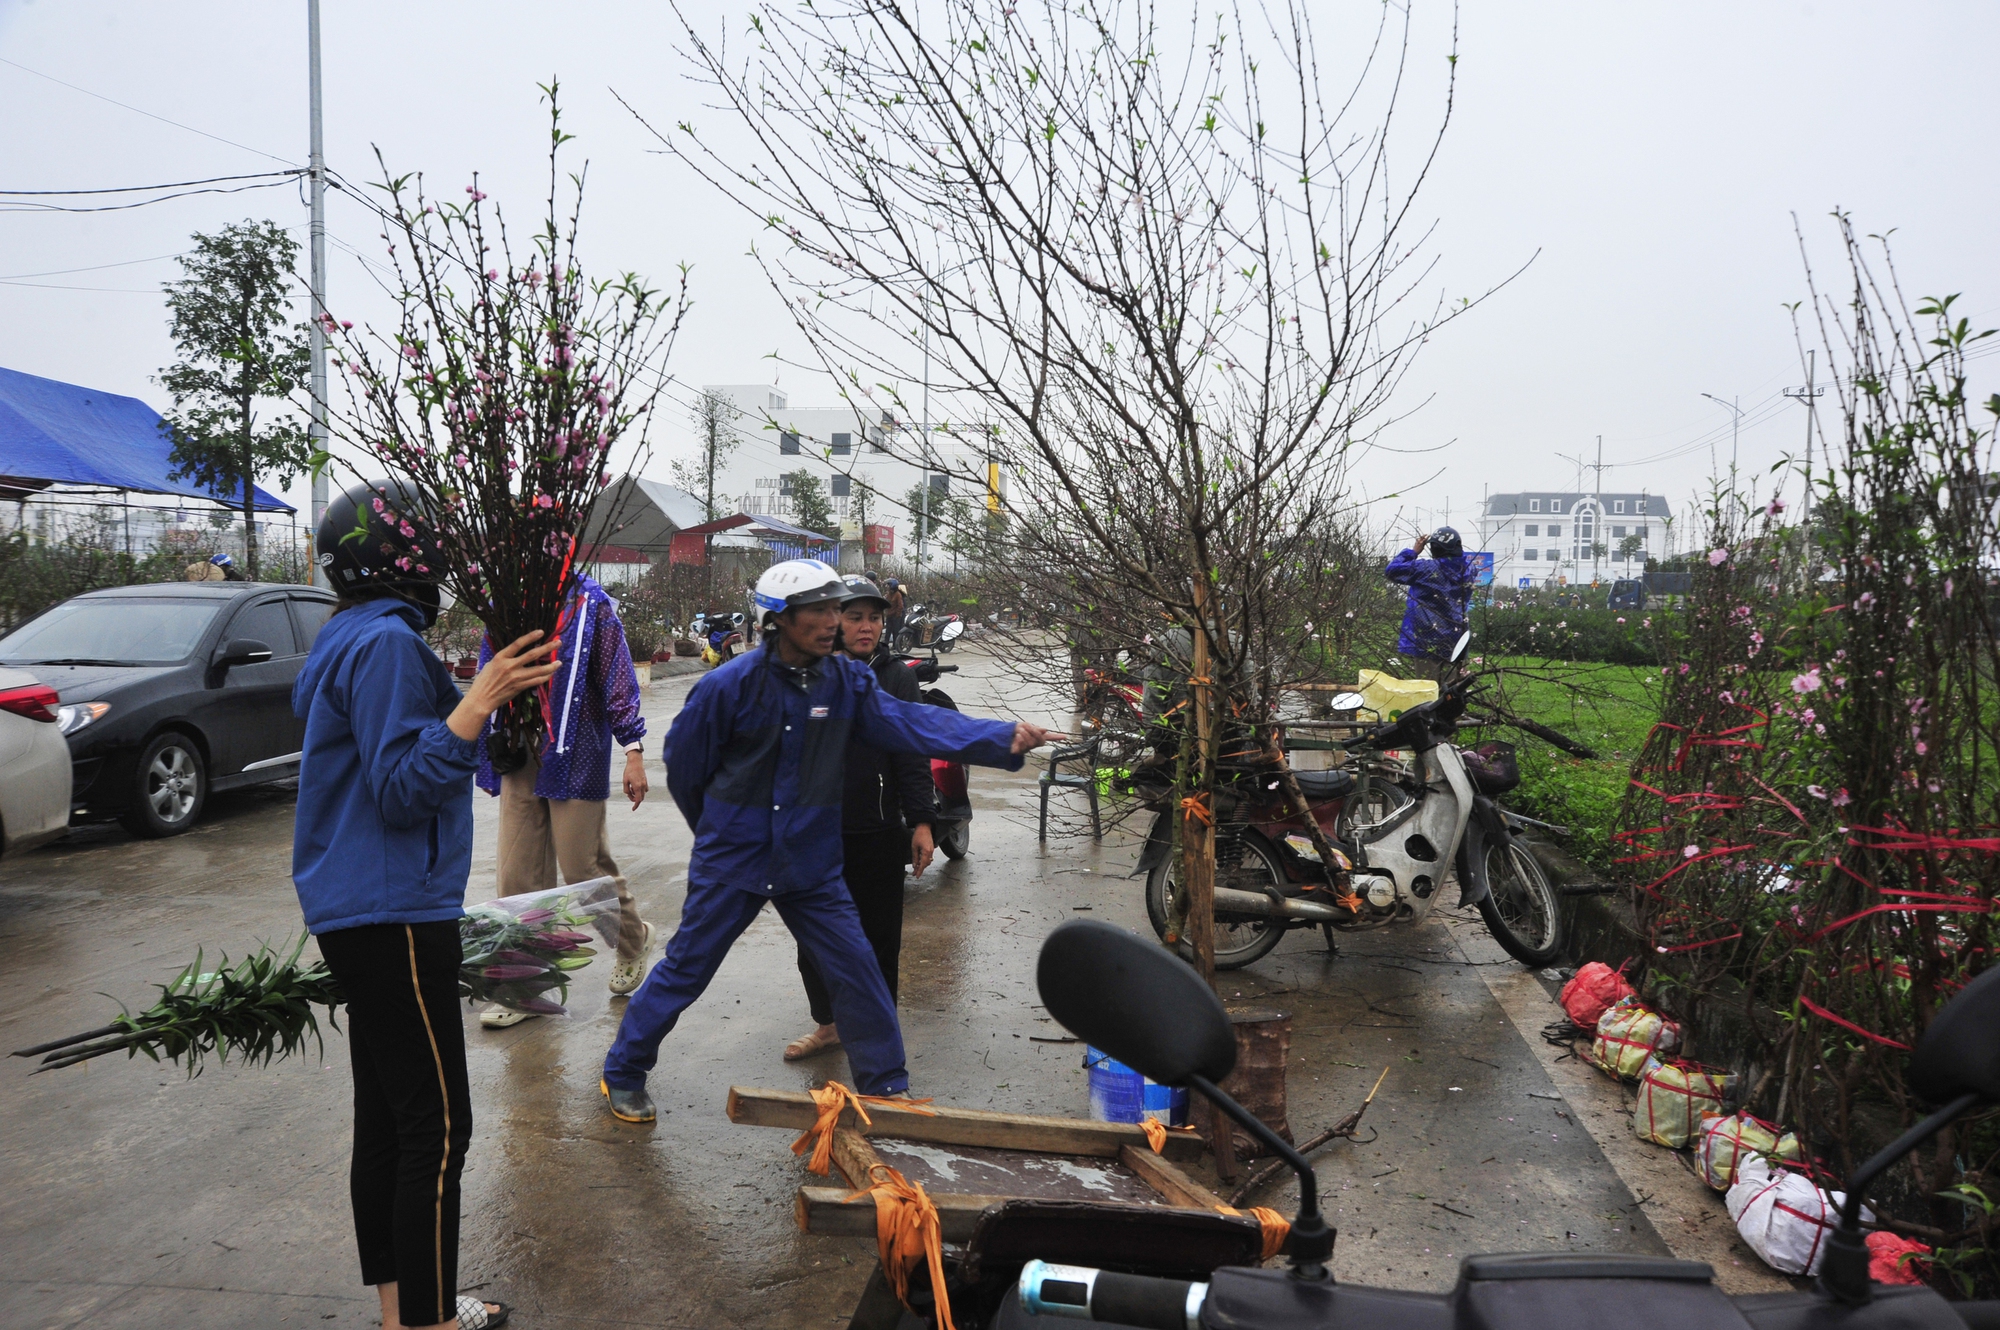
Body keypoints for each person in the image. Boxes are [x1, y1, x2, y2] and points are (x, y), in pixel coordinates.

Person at [599, 558, 1061, 1122]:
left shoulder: (847, 683)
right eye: (817, 610)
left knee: (857, 971)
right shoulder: (727, 687)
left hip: (811, 860)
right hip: (734, 859)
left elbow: (913, 724)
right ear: (779, 620)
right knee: (687, 969)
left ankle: (886, 1091)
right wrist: (720, 836)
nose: (831, 621)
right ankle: (623, 1071)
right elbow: (688, 769)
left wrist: (1002, 737)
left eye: (834, 610)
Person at [293, 479, 559, 1330]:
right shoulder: (386, 648)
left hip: (360, 909)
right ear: (407, 563)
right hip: (392, 912)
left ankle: (401, 1308)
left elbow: (401, 762)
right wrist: (478, 699)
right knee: (440, 1130)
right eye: (433, 548)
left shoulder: (346, 638)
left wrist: (480, 719)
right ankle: (432, 1323)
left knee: (389, 1120)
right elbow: (404, 791)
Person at [473, 572, 653, 1030]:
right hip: (518, 748)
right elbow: (487, 670)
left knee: (582, 869)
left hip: (576, 751)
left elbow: (617, 680)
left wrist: (633, 751)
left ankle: (633, 940)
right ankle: (525, 989)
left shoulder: (591, 604)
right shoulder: (505, 598)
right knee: (518, 878)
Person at [782, 575, 937, 1062]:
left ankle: (876, 1032)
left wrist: (923, 822)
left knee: (878, 938)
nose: (866, 626)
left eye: (873, 616)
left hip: (876, 830)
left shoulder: (895, 678)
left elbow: (912, 753)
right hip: (815, 833)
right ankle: (829, 1025)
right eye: (854, 616)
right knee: (814, 938)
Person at [1384, 525, 1475, 675]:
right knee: (1453, 690)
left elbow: (1392, 570)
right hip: (1458, 639)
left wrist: (1413, 552)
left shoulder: (1426, 569)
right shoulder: (1469, 570)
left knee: (1429, 691)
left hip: (1427, 639)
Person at [883, 577, 907, 649]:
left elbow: (900, 606)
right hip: (889, 615)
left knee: (895, 631)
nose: (888, 587)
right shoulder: (889, 594)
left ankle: (896, 646)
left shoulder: (898, 594)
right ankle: (885, 645)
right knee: (888, 631)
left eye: (889, 585)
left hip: (895, 616)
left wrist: (897, 615)